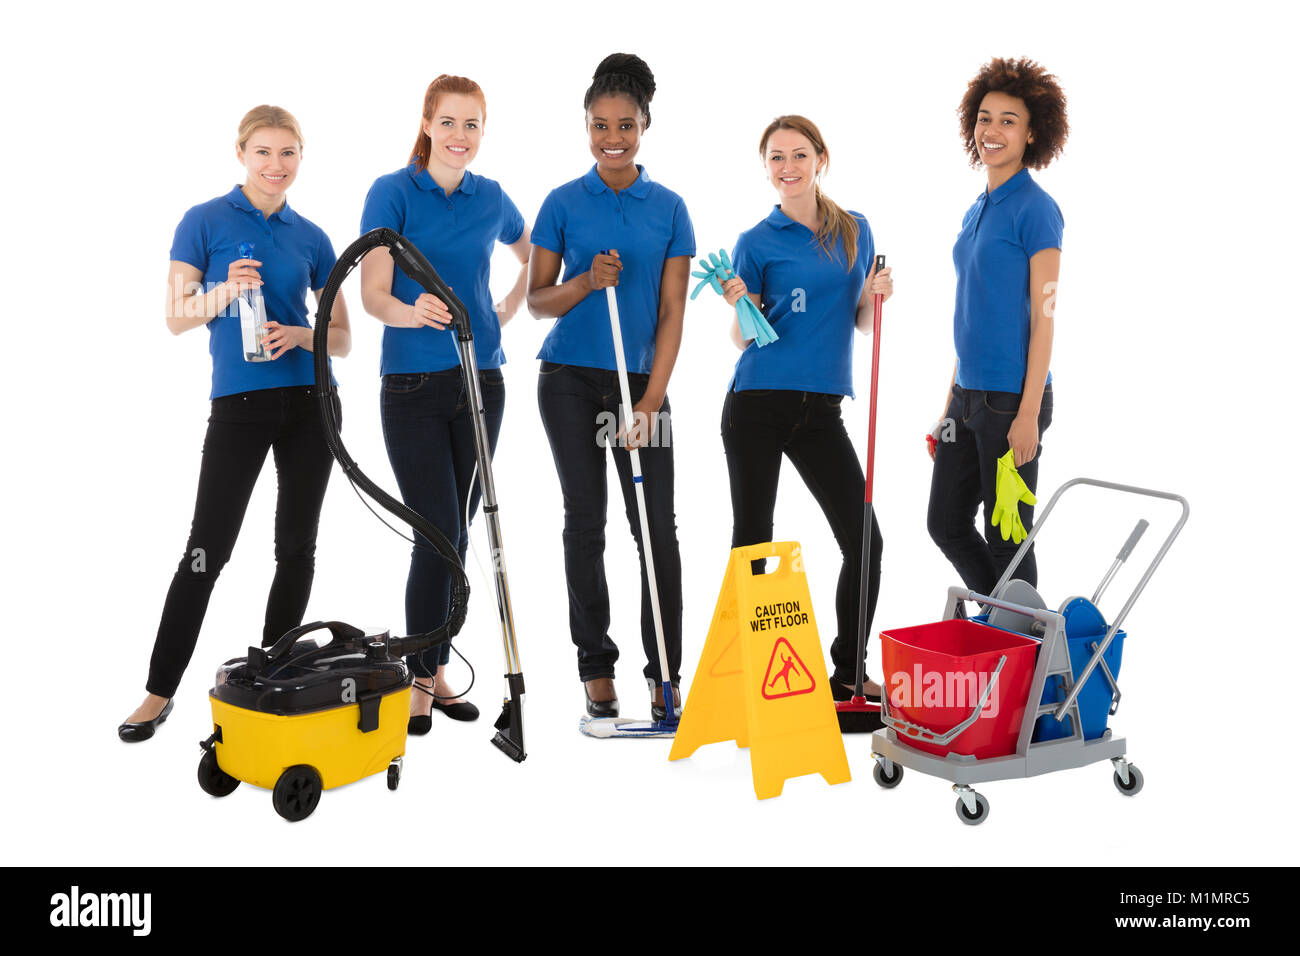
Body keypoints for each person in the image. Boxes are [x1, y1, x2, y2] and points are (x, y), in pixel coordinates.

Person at [119, 105, 351, 741]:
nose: (276, 166)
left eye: (289, 154)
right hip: (240, 408)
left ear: (301, 157)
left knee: (296, 546)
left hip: (310, 403)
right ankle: (157, 691)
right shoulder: (204, 221)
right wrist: (225, 290)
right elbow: (174, 316)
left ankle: (273, 680)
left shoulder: (312, 236)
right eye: (264, 153)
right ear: (242, 154)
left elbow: (343, 338)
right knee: (206, 549)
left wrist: (298, 333)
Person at [359, 74, 530, 733]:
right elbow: (373, 293)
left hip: (482, 381)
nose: (461, 137)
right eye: (450, 122)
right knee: (439, 535)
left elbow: (534, 253)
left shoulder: (491, 198)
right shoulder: (393, 191)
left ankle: (431, 669)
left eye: (473, 125)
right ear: (427, 122)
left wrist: (506, 307)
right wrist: (411, 309)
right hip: (413, 387)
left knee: (455, 536)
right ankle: (420, 678)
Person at [526, 53, 694, 720]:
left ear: (645, 125)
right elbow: (539, 302)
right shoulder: (562, 203)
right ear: (587, 128)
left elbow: (674, 311)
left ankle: (666, 673)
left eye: (624, 125)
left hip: (639, 382)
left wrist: (650, 402)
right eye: (600, 126)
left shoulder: (671, 208)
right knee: (585, 522)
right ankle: (595, 666)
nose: (612, 137)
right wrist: (584, 283)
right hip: (567, 379)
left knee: (657, 528)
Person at [717, 115, 894, 702]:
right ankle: (747, 675)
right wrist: (741, 304)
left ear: (821, 158)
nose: (787, 167)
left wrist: (878, 295)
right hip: (758, 402)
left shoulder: (855, 230)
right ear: (765, 166)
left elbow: (863, 322)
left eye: (798, 154)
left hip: (822, 409)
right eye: (775, 157)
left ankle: (848, 671)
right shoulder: (756, 241)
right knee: (754, 542)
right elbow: (746, 340)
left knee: (865, 541)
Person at [926, 57, 1067, 596]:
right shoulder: (977, 207)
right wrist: (948, 406)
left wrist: (1029, 412)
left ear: (1033, 133)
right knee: (946, 523)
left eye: (1009, 120)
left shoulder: (1036, 210)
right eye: (986, 118)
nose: (993, 130)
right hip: (967, 397)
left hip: (1013, 401)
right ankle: (1012, 625)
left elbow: (1046, 319)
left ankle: (1027, 650)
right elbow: (974, 312)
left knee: (1007, 534)